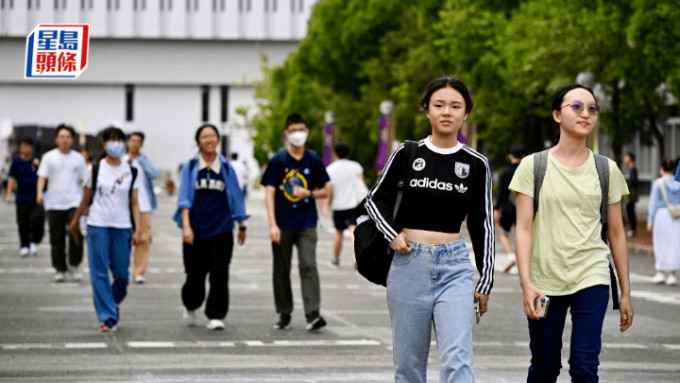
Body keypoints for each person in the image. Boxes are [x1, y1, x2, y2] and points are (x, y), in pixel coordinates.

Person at [365, 77, 495, 383]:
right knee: (409, 367)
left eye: (455, 106)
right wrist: (392, 235)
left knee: (457, 362)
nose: (446, 112)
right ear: (427, 111)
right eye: (438, 105)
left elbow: (483, 222)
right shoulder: (407, 153)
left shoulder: (476, 164)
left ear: (466, 114)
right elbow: (374, 200)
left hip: (455, 267)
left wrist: (485, 278)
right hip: (409, 264)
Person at [509, 84, 634, 382]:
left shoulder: (607, 169)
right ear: (556, 115)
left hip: (591, 275)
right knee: (545, 365)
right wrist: (526, 283)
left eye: (592, 108)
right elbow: (523, 229)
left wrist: (626, 293)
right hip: (544, 279)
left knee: (584, 365)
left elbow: (616, 233)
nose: (586, 114)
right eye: (576, 107)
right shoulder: (532, 166)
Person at [260, 113, 332, 331]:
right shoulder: (278, 160)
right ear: (286, 134)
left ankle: (313, 314)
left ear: (307, 132)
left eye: (301, 129)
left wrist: (308, 193)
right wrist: (272, 224)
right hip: (282, 223)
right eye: (293, 131)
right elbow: (269, 193)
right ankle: (284, 313)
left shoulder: (313, 159)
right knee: (281, 268)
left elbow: (327, 189)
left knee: (308, 264)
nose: (297, 134)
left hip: (307, 223)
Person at [173, 124, 248, 331]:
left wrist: (241, 226)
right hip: (195, 230)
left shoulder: (225, 167)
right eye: (204, 137)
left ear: (217, 140)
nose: (209, 140)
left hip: (222, 229)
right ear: (198, 142)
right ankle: (191, 304)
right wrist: (186, 227)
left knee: (220, 272)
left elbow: (236, 197)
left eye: (212, 136)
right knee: (195, 275)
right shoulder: (190, 167)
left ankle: (216, 314)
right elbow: (184, 199)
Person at [68, 126, 142, 332]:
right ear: (103, 144)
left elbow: (135, 202)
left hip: (123, 225)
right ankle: (107, 316)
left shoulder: (131, 170)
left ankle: (111, 301)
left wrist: (138, 230)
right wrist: (75, 222)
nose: (115, 143)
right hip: (98, 224)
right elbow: (85, 198)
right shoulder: (95, 168)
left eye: (119, 139)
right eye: (111, 140)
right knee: (99, 272)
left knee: (121, 274)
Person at [37, 124, 87, 282]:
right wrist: (39, 193)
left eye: (68, 137)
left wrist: (86, 203)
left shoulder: (78, 158)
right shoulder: (49, 157)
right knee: (56, 238)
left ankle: (75, 263)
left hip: (74, 202)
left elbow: (84, 181)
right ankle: (60, 268)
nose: (65, 140)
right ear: (56, 139)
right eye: (62, 137)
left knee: (76, 234)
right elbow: (42, 177)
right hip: (54, 203)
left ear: (73, 140)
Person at [124, 131, 160, 284]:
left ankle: (139, 271)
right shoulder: (120, 159)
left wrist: (139, 159)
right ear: (127, 142)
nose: (135, 144)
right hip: (124, 206)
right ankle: (122, 269)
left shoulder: (144, 160)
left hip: (144, 205)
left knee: (144, 239)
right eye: (132, 140)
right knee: (124, 238)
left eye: (138, 141)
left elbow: (155, 173)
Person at [322, 142, 365, 268]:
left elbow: (328, 190)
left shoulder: (330, 169)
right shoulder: (356, 166)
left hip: (338, 205)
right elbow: (361, 185)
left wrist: (325, 205)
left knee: (339, 232)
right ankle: (356, 256)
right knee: (353, 230)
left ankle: (335, 259)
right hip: (354, 204)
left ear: (335, 153)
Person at [6, 138, 45, 257]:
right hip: (21, 197)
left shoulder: (38, 160)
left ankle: (34, 241)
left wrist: (39, 165)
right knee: (23, 223)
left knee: (38, 221)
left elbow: (44, 175)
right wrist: (8, 194)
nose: (25, 148)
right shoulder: (16, 162)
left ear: (32, 147)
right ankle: (24, 245)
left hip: (36, 197)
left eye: (27, 146)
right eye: (23, 146)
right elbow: (11, 178)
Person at [647, 158, 680, 286]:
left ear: (661, 168)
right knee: (675, 243)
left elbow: (653, 203)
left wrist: (650, 220)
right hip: (676, 216)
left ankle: (660, 272)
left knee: (660, 243)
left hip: (661, 215)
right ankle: (672, 274)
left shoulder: (658, 183)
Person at [494, 144, 525, 274]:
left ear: (510, 156)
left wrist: (497, 208)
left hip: (507, 208)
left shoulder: (505, 172)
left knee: (504, 232)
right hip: (524, 208)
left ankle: (510, 256)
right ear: (523, 156)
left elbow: (501, 192)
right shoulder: (526, 170)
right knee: (521, 233)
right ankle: (522, 260)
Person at [623, 152, 639, 237]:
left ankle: (633, 230)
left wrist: (626, 180)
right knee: (630, 212)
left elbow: (633, 181)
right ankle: (632, 229)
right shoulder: (631, 169)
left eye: (626, 157)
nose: (625, 158)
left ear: (631, 159)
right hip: (630, 196)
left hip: (631, 196)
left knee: (631, 212)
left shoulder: (633, 169)